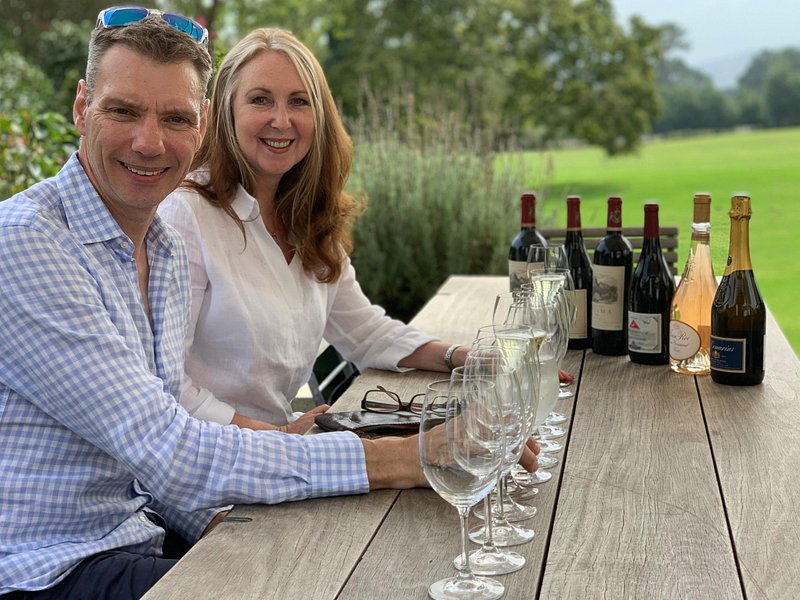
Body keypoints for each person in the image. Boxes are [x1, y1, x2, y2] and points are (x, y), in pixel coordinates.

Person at [0, 9, 538, 599]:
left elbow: (158, 462)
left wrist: (234, 524)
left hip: (143, 530)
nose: (149, 142)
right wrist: (412, 456)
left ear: (202, 125)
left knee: (369, 564)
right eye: (123, 111)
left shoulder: (162, 247)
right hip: (49, 569)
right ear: (82, 107)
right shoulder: (28, 243)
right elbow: (166, 444)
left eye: (175, 117)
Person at [157, 27, 469, 432]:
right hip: (217, 452)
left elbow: (365, 332)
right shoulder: (186, 214)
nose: (281, 120)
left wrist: (465, 357)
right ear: (225, 111)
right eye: (260, 99)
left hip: (284, 445)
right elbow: (167, 382)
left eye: (299, 101)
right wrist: (278, 437)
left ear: (318, 116)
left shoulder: (308, 216)